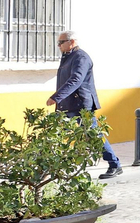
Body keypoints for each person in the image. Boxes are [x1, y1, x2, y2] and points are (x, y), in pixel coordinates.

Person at [48, 32, 122, 179]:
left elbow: (76, 80)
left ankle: (114, 164)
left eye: (61, 42)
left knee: (94, 135)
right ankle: (49, 168)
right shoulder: (68, 57)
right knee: (53, 133)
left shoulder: (81, 58)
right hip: (67, 104)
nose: (58, 46)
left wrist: (56, 98)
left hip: (80, 104)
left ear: (72, 41)